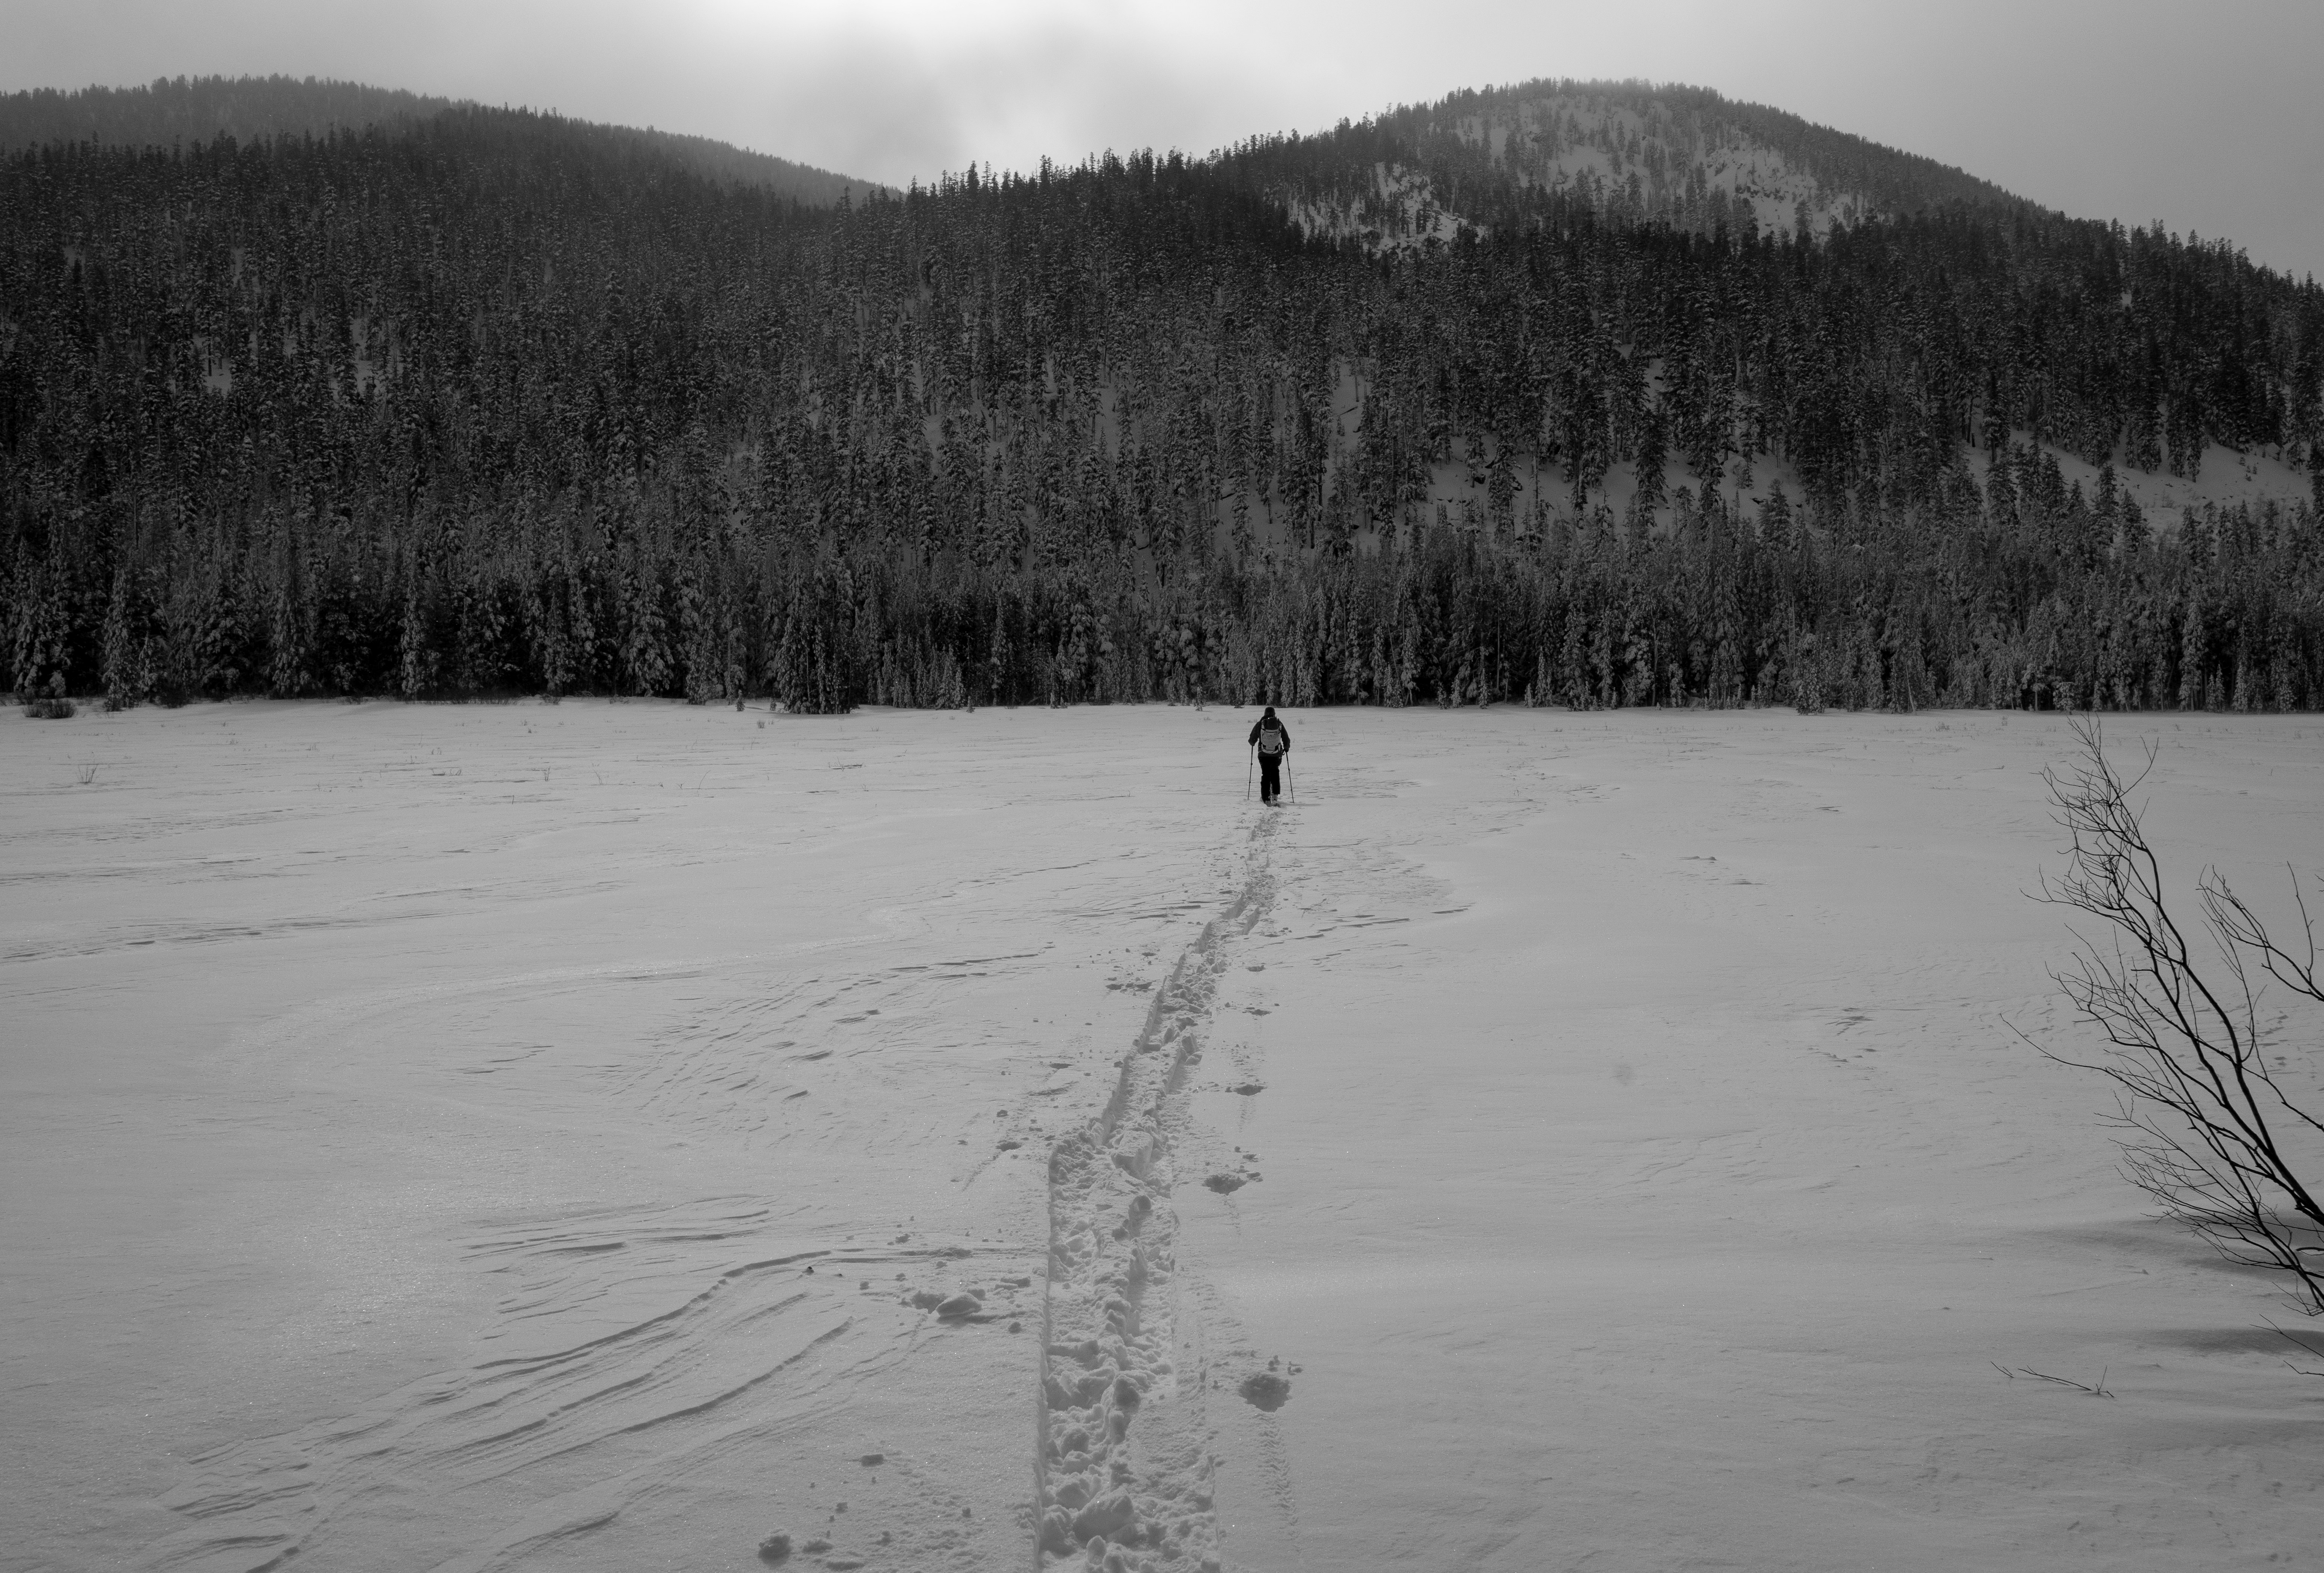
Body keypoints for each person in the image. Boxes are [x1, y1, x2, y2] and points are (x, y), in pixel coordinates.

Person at [1248, 706, 1290, 805]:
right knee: (1275, 773)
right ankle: (1275, 795)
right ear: (1274, 714)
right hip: (1277, 754)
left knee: (1266, 775)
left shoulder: (1261, 724)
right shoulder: (1279, 724)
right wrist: (1287, 748)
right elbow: (1286, 738)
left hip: (1263, 755)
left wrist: (1252, 743)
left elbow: (1252, 739)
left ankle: (1266, 799)